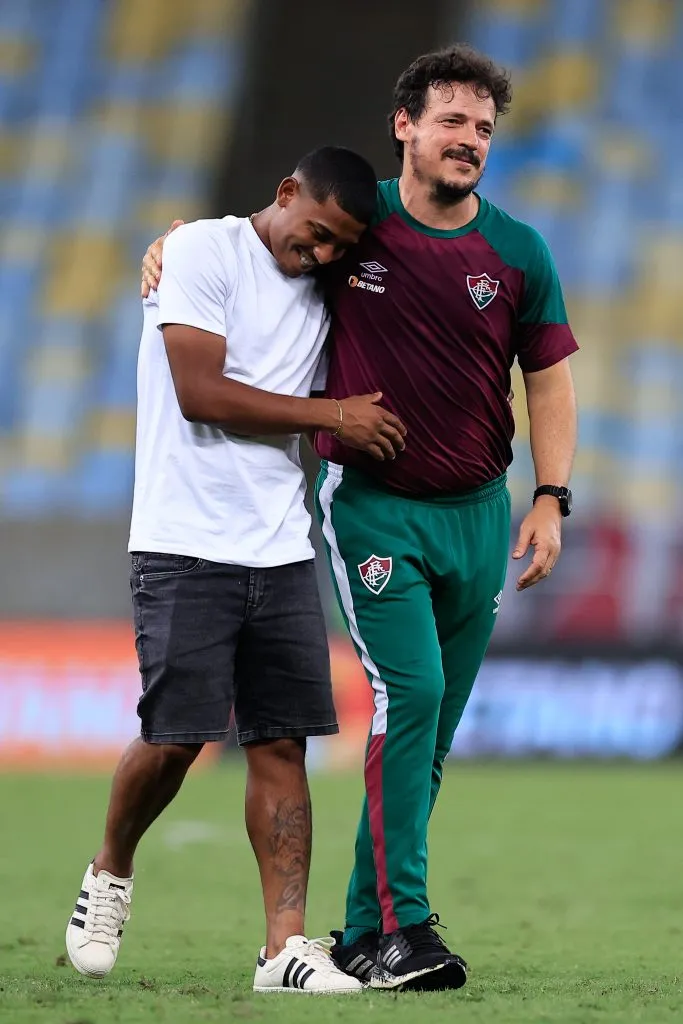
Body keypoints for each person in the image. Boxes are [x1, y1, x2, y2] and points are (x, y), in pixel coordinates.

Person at [141, 44, 578, 993]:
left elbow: (547, 376)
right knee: (408, 698)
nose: (470, 141)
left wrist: (550, 495)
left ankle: (363, 931)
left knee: (429, 733)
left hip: (477, 514)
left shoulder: (518, 251)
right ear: (406, 126)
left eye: (484, 130)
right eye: (453, 122)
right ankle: (402, 927)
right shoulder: (357, 219)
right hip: (375, 510)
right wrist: (177, 243)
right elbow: (263, 235)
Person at [65, 145, 407, 996]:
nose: (322, 254)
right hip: (182, 541)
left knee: (281, 741)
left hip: (279, 545)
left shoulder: (329, 281)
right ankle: (110, 872)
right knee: (178, 736)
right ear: (284, 192)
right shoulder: (199, 252)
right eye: (316, 234)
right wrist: (331, 415)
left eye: (339, 246)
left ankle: (282, 949)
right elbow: (202, 394)